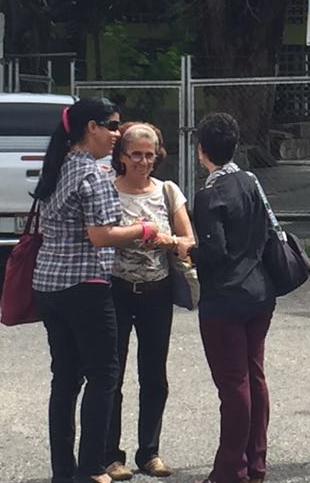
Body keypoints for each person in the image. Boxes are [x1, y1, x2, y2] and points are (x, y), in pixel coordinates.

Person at [33, 98, 155, 483]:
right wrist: (143, 230)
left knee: (65, 378)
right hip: (85, 285)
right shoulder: (95, 174)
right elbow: (101, 236)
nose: (117, 134)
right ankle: (92, 467)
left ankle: (63, 471)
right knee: (104, 375)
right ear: (91, 128)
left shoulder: (59, 165)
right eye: (112, 126)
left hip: (49, 284)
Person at [182, 112, 276, 483]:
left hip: (224, 298)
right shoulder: (250, 181)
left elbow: (214, 251)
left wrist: (188, 250)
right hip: (259, 292)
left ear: (200, 150)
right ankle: (256, 463)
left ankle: (229, 469)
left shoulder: (210, 194)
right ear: (236, 146)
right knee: (255, 377)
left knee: (233, 384)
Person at [105, 123, 194, 481]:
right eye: (135, 155)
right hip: (116, 290)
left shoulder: (167, 192)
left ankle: (150, 452)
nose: (143, 162)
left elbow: (189, 240)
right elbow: (96, 236)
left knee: (154, 374)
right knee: (111, 374)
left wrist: (167, 241)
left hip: (157, 291)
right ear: (122, 157)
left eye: (149, 155)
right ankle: (111, 455)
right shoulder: (108, 192)